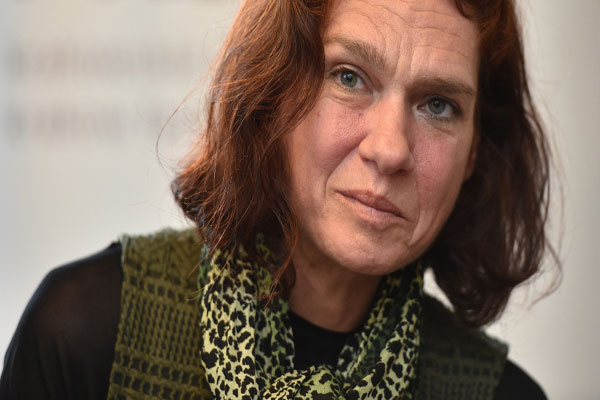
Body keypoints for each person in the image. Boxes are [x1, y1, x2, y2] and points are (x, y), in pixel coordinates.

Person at [1, 0, 555, 398]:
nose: (390, 149)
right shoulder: (86, 335)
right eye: (349, 77)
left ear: (475, 151)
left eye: (438, 106)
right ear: (275, 88)